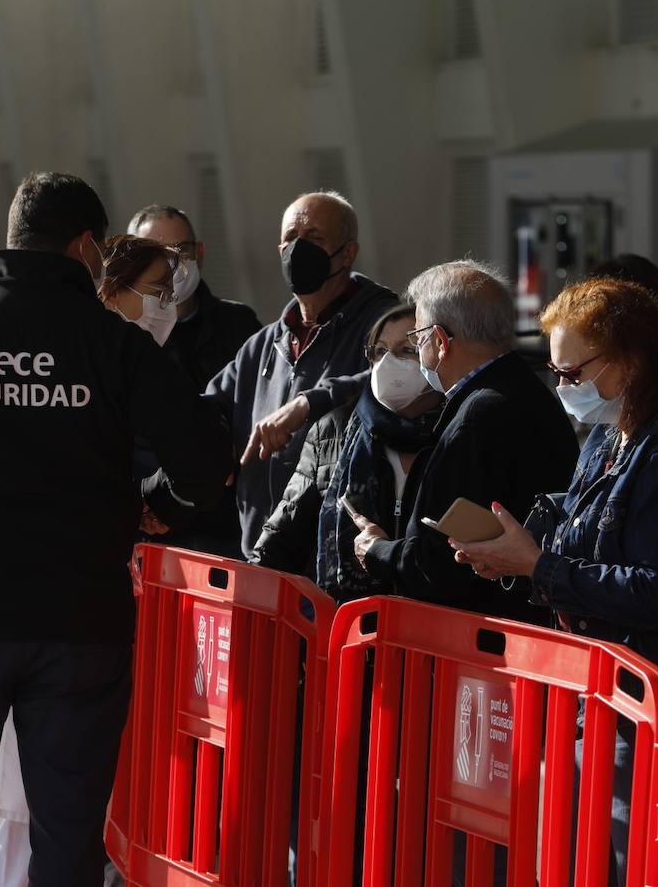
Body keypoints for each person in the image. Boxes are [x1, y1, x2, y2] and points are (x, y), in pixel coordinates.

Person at [0, 172, 229, 886]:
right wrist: (161, 507)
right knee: (68, 833)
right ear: (87, 244)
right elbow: (206, 459)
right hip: (80, 627)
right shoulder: (111, 344)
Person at [450, 278, 658, 886]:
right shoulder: (613, 430)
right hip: (610, 701)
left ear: (630, 359)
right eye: (554, 371)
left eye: (574, 373)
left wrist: (537, 566)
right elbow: (590, 530)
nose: (563, 388)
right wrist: (514, 549)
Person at [352, 260, 578, 624]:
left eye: (416, 338)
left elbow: (442, 562)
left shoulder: (479, 415)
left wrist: (377, 551)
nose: (417, 347)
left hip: (485, 635)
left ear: (439, 342)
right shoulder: (519, 390)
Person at [205, 191, 398, 558]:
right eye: (291, 238)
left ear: (347, 252)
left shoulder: (386, 323)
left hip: (335, 560)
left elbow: (397, 380)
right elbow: (211, 408)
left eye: (314, 237)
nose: (298, 249)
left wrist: (309, 403)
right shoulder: (263, 345)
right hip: (261, 555)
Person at [253, 304, 442, 600]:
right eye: (379, 351)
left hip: (428, 627)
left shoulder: (455, 432)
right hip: (345, 624)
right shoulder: (335, 430)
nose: (388, 362)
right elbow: (282, 536)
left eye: (406, 350)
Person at [129, 206, 261, 556]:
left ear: (199, 252)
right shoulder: (120, 331)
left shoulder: (239, 325)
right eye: (153, 252)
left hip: (224, 524)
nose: (169, 263)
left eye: (180, 250)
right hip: (150, 518)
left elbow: (250, 408)